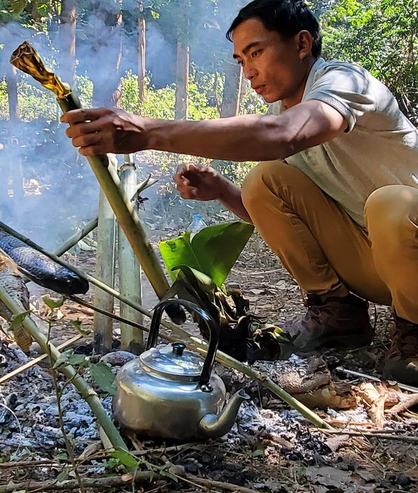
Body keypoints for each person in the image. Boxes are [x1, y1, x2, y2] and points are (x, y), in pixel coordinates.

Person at [61, 0, 418, 384]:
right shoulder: (285, 118)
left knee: (390, 204)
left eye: (256, 52)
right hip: (382, 266)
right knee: (262, 181)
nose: (249, 71)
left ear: (301, 44)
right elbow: (284, 215)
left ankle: (414, 333)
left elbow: (281, 137)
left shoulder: (344, 82)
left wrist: (150, 132)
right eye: (240, 60)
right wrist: (220, 191)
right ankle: (337, 314)